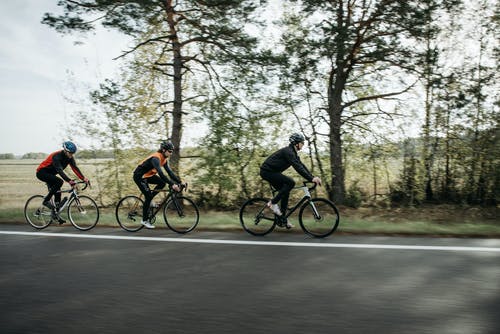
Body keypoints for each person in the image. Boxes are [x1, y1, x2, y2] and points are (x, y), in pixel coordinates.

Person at [260, 133, 322, 228]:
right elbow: (297, 167)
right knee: (290, 182)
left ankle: (282, 220)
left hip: (273, 172)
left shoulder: (293, 153)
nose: (303, 144)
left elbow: (301, 166)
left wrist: (312, 177)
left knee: (286, 191)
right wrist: (311, 178)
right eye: (302, 142)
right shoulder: (288, 152)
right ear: (296, 143)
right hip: (267, 172)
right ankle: (273, 203)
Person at [133, 140, 184, 229]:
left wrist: (179, 182)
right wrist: (172, 184)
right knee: (148, 196)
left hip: (147, 176)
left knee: (162, 183)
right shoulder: (156, 158)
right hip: (139, 176)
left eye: (172, 151)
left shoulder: (164, 160)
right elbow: (161, 173)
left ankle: (149, 202)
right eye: (170, 151)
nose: (171, 153)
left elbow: (169, 172)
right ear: (164, 150)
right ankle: (144, 220)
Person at [36, 141, 90, 223]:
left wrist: (83, 178)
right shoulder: (56, 156)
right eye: (70, 153)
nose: (71, 155)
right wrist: (69, 181)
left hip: (51, 174)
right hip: (42, 172)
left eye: (73, 153)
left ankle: (56, 214)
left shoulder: (70, 158)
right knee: (59, 181)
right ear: (65, 150)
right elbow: (60, 171)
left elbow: (75, 168)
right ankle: (46, 201)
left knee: (58, 192)